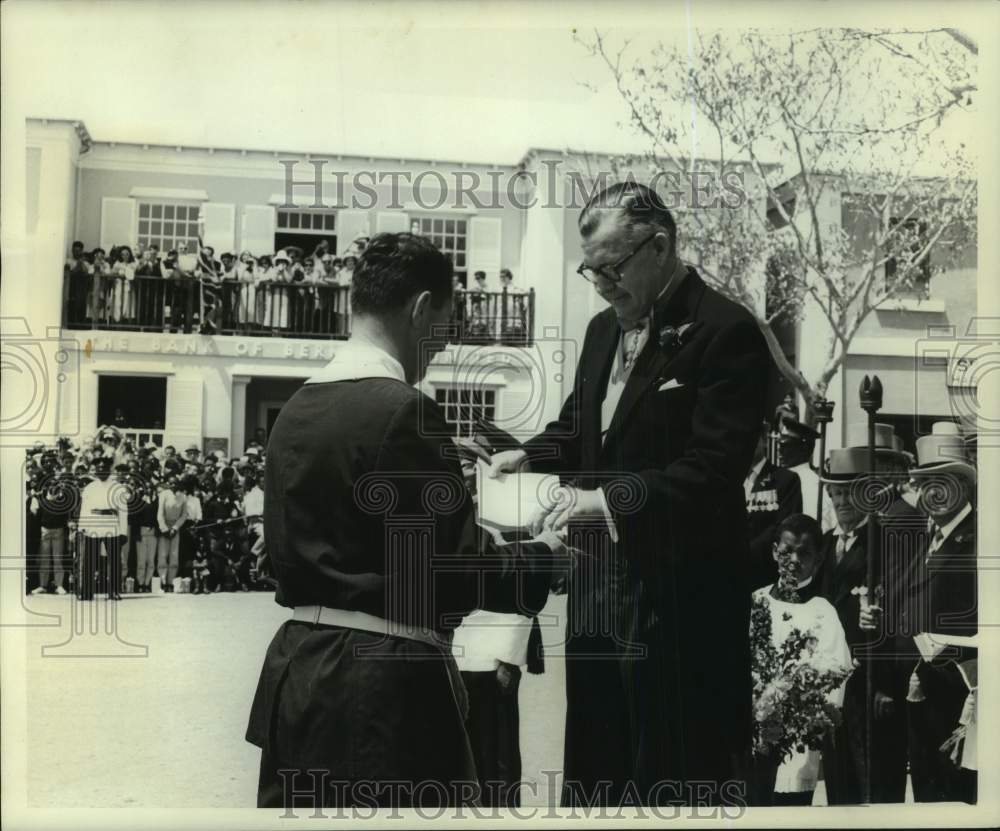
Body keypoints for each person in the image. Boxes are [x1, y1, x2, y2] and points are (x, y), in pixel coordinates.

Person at [245, 232, 563, 809]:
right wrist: (546, 555)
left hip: (302, 671)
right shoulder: (406, 410)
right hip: (382, 691)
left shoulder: (296, 408)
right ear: (420, 309)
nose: (441, 347)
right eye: (444, 326)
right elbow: (455, 570)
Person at [489, 182, 770, 806]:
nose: (602, 284)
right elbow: (580, 427)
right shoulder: (599, 332)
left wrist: (606, 501)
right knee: (595, 762)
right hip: (598, 592)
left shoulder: (726, 332)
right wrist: (528, 453)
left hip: (679, 599)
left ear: (661, 246)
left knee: (671, 770)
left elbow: (712, 470)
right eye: (590, 271)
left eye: (612, 268)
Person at [865, 421, 977, 804]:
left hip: (953, 698)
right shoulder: (931, 539)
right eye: (927, 483)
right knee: (927, 795)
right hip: (918, 697)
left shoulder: (975, 541)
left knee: (954, 798)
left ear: (964, 485)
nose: (935, 491)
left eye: (944, 480)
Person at [749, 513, 853, 806]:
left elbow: (833, 673)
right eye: (787, 551)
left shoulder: (822, 612)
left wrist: (794, 706)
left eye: (804, 553)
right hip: (752, 732)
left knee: (788, 807)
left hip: (794, 737)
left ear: (818, 561)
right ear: (774, 551)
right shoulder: (756, 601)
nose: (794, 559)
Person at [745, 426, 802, 589]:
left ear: (763, 437)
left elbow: (783, 529)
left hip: (766, 577)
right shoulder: (729, 480)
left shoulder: (785, 480)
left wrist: (743, 554)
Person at [74, 455, 124, 601]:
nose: (101, 470)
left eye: (104, 467)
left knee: (114, 561)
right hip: (93, 525)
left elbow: (123, 511)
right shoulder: (90, 487)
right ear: (95, 470)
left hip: (111, 524)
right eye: (98, 468)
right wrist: (82, 527)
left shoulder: (118, 487)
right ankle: (87, 592)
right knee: (89, 561)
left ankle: (114, 591)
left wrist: (123, 532)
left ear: (110, 469)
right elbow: (85, 509)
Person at [156, 475, 188, 592]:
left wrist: (175, 528)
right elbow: (160, 513)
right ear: (168, 484)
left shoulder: (183, 497)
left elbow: (184, 514)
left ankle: (171, 582)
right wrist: (164, 528)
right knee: (162, 555)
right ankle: (163, 581)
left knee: (174, 555)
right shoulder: (164, 495)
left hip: (175, 527)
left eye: (175, 483)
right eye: (171, 483)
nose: (173, 485)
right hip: (164, 526)